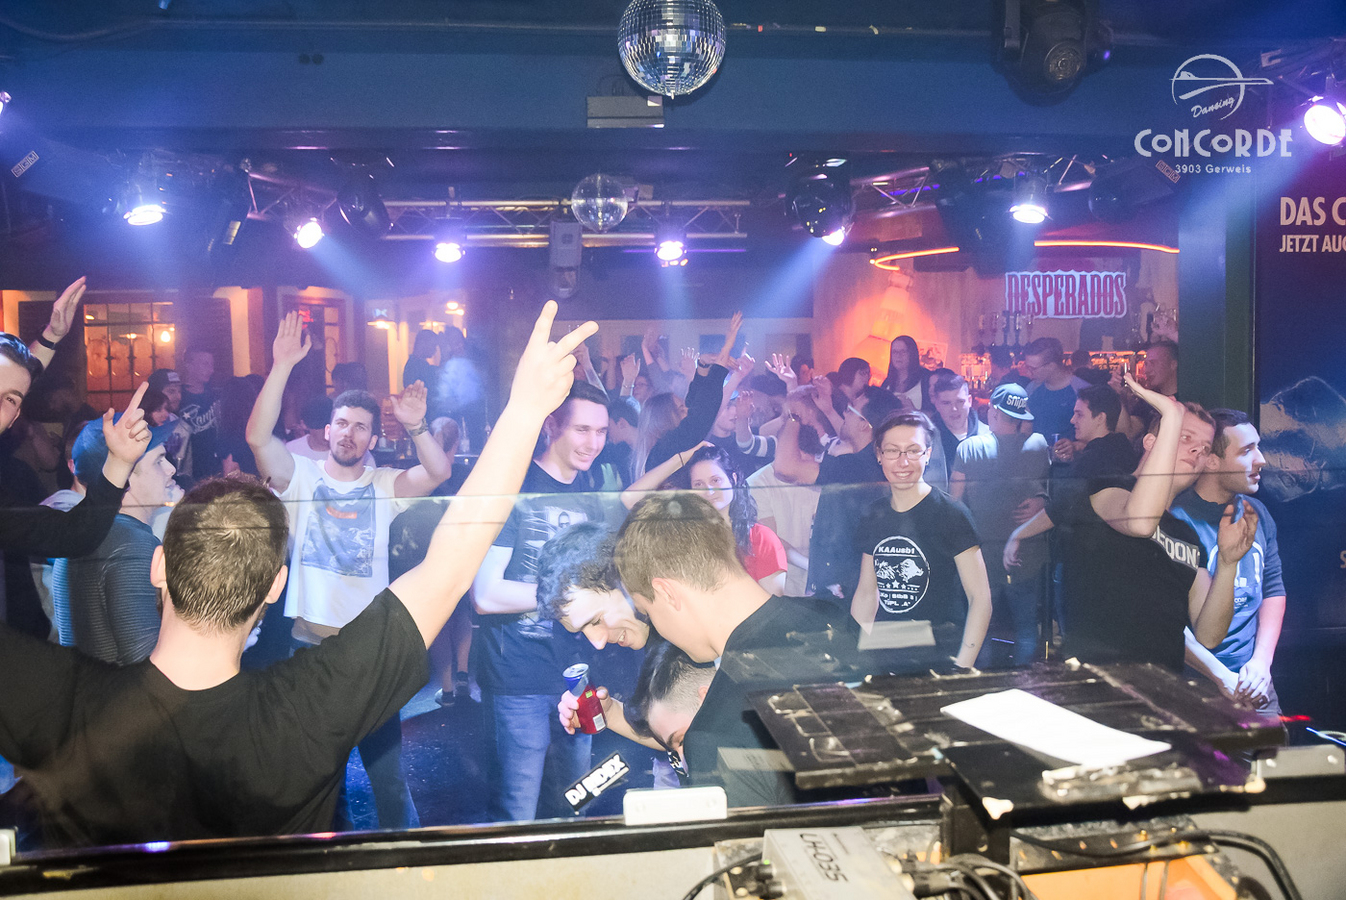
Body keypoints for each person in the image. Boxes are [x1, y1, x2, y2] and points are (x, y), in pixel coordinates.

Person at [0, 301, 597, 847]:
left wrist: (37, 359)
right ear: (274, 587)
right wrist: (525, 411)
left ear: (160, 566)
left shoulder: (64, 704)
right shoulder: (306, 710)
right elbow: (450, 566)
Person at [247, 312, 454, 830]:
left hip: (368, 651)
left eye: (361, 427)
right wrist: (281, 366)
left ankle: (407, 863)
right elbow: (257, 436)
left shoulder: (384, 484)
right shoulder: (299, 475)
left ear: (372, 440)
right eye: (342, 423)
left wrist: (416, 426)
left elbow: (438, 471)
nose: (349, 433)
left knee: (389, 778)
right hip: (310, 649)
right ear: (328, 430)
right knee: (319, 779)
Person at [612, 492, 871, 807]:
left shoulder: (714, 734)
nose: (657, 627)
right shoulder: (832, 618)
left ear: (666, 592)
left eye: (648, 612)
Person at [1004, 378, 1259, 672]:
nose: (1196, 452)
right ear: (1151, 442)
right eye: (1185, 438)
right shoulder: (1109, 488)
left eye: (1204, 448)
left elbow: (1209, 635)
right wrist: (1171, 417)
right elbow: (1139, 523)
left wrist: (1228, 563)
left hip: (1162, 689)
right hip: (1099, 684)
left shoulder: (1186, 535)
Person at [470, 379, 610, 823]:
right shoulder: (516, 488)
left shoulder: (591, 495)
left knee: (577, 803)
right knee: (517, 812)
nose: (593, 443)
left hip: (579, 677)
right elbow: (484, 594)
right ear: (553, 426)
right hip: (518, 678)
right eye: (582, 429)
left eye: (602, 431)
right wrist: (571, 596)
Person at [851, 411, 993, 668]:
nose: (903, 461)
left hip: (940, 657)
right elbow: (866, 593)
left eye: (913, 450)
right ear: (879, 455)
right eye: (892, 451)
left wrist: (962, 667)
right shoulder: (874, 514)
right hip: (886, 655)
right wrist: (856, 658)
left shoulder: (952, 513)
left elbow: (980, 599)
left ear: (928, 454)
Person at [1173, 410, 1284, 714]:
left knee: (1274, 746)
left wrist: (1261, 662)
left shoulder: (1257, 512)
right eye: (1247, 451)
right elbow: (1165, 618)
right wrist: (1221, 676)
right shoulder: (1177, 520)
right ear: (1211, 461)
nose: (1261, 460)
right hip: (1194, 686)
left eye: (1258, 447)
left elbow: (1273, 590)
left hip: (1252, 681)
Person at [51, 419, 179, 665]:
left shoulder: (74, 537)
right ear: (126, 478)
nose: (171, 469)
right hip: (124, 689)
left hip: (86, 686)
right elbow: (145, 660)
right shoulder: (134, 544)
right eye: (158, 461)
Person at [774, 386, 904, 603]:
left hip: (843, 591)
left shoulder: (854, 468)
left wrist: (793, 417)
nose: (844, 413)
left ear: (864, 424)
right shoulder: (877, 464)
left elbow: (785, 467)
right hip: (860, 584)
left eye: (850, 409)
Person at [949, 384, 1049, 666]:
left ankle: (980, 681)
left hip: (982, 555)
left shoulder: (968, 448)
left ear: (992, 412)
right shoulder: (1039, 445)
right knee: (1026, 627)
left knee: (981, 625)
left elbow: (954, 502)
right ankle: (1024, 681)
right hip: (1025, 555)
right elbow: (1044, 491)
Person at [623, 444, 788, 595]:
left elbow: (771, 609)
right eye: (698, 484)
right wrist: (680, 458)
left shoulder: (760, 538)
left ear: (733, 479)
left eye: (715, 480)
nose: (708, 491)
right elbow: (630, 499)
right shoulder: (686, 535)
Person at [1050, 383, 1139, 480]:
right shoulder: (1124, 449)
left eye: (1079, 415)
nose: (1072, 420)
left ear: (1100, 418)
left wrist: (1059, 465)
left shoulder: (1090, 462)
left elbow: (1061, 488)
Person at [1021, 337, 1089, 444]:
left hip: (1070, 455)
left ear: (1051, 366)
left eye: (1033, 368)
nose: (1028, 372)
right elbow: (1025, 429)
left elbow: (1092, 436)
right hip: (1037, 454)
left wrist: (1074, 446)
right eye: (1027, 367)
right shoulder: (1031, 389)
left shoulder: (1081, 390)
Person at [927, 372, 988, 488]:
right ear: (937, 405)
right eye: (946, 403)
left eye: (960, 401)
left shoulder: (989, 437)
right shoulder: (926, 441)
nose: (954, 409)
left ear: (969, 401)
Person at [177, 346, 222, 481]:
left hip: (215, 466)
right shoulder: (178, 398)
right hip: (189, 469)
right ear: (189, 365)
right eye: (205, 364)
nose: (211, 370)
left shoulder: (215, 395)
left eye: (212, 365)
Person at [879, 336, 930, 411]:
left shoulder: (926, 378)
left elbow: (936, 413)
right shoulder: (887, 382)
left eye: (903, 351)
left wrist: (915, 411)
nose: (898, 356)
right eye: (895, 352)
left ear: (912, 354)